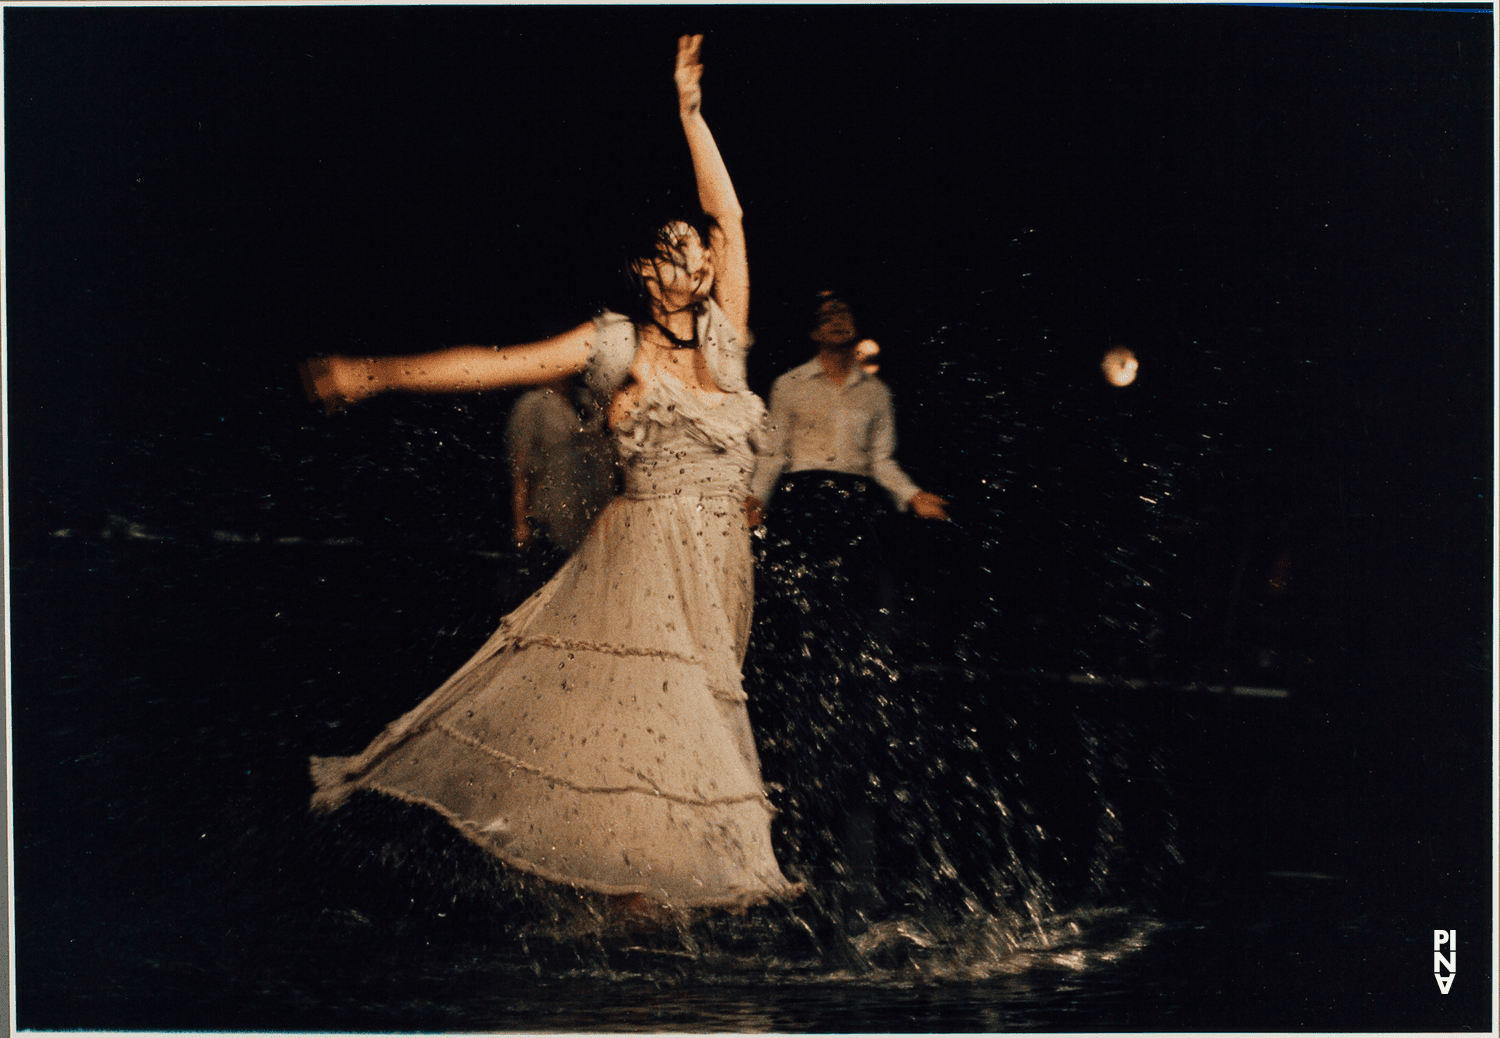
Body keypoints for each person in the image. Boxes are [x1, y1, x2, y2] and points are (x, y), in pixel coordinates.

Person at [300, 36, 802, 914]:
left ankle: (636, 893)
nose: (705, 257)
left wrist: (692, 117)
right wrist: (374, 373)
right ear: (650, 271)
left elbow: (733, 221)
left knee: (693, 720)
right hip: (644, 563)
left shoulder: (727, 343)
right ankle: (643, 898)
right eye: (682, 248)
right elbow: (490, 366)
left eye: (703, 251)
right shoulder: (614, 343)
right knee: (653, 711)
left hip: (721, 563)